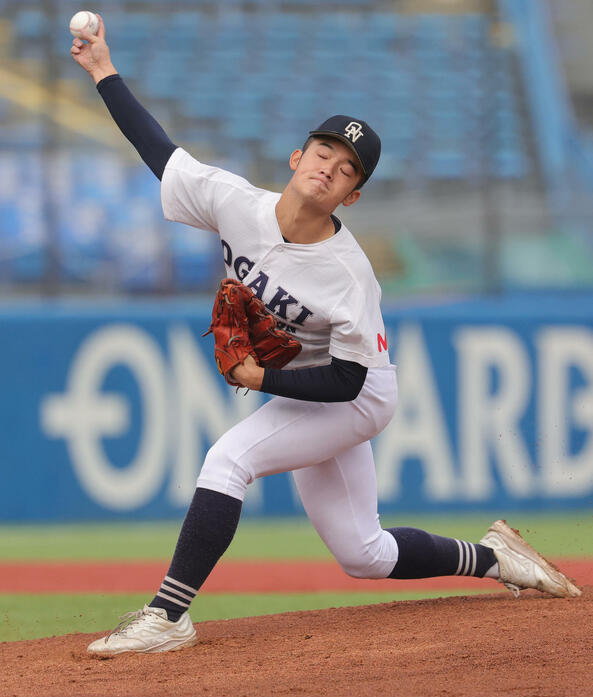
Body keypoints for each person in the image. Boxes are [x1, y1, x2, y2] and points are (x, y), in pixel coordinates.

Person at [71, 16, 581, 656]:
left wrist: (261, 379)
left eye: (346, 169)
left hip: (356, 397)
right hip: (305, 390)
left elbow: (350, 380)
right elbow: (159, 152)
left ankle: (170, 615)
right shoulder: (235, 203)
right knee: (364, 553)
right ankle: (495, 558)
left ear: (353, 195)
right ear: (296, 157)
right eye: (323, 153)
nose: (329, 168)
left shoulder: (348, 274)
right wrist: (102, 71)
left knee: (228, 459)